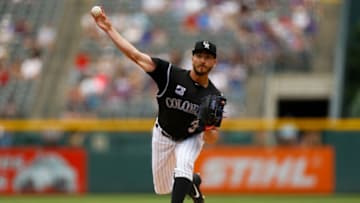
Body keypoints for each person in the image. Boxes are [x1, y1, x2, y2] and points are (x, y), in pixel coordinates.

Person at [91, 7, 225, 203]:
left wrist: (208, 126)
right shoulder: (170, 73)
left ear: (214, 62)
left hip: (191, 137)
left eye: (207, 57)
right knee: (162, 187)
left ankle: (186, 180)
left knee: (183, 166)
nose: (202, 61)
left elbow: (212, 138)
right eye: (199, 56)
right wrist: (109, 29)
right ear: (193, 57)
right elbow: (135, 56)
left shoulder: (214, 96)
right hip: (163, 134)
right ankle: (192, 183)